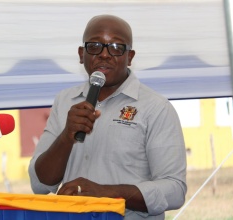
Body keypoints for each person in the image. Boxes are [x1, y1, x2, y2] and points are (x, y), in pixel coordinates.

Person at [28, 14, 187, 219]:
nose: (104, 55)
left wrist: (107, 193)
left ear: (129, 57)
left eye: (116, 47)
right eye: (95, 46)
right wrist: (66, 137)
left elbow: (174, 190)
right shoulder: (65, 101)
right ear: (81, 54)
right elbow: (40, 183)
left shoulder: (156, 108)